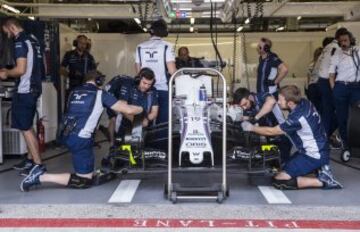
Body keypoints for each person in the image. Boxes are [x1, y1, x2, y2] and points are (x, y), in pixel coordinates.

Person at [19, 70, 143, 192]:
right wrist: (141, 109)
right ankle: (40, 176)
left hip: (66, 134)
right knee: (84, 180)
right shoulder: (100, 94)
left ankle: (84, 170)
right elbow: (128, 110)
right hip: (81, 140)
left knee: (86, 165)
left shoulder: (74, 91)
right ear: (99, 81)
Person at [241, 85, 342, 190]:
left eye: (280, 100)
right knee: (283, 168)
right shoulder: (304, 102)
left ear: (290, 103)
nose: (278, 102)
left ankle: (323, 181)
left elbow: (272, 131)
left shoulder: (297, 118)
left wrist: (251, 128)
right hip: (316, 148)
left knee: (279, 179)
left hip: (313, 154)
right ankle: (319, 169)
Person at [0, 17, 44, 176]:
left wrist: (5, 73)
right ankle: (31, 159)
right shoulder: (32, 38)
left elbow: (20, 70)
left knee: (25, 128)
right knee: (27, 125)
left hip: (26, 89)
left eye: (6, 31)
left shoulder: (20, 41)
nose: (6, 35)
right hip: (33, 87)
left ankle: (38, 165)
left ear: (11, 27)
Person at [232, 88, 292, 163]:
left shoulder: (261, 96)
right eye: (242, 106)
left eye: (245, 104)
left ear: (250, 97)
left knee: (283, 166)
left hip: (283, 135)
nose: (244, 107)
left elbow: (271, 101)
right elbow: (251, 117)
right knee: (271, 166)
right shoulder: (250, 107)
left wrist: (256, 118)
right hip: (270, 138)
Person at [135, 19, 176, 125]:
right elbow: (172, 71)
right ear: (164, 32)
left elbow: (138, 71)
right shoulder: (168, 46)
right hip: (163, 89)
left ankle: (145, 140)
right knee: (163, 122)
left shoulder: (140, 46)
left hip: (145, 88)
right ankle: (160, 141)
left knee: (144, 118)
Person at [105, 68, 159, 145]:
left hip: (142, 127)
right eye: (144, 83)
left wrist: (146, 119)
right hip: (124, 124)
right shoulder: (128, 85)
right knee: (121, 150)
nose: (146, 86)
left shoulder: (153, 91)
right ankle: (112, 144)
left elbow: (154, 112)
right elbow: (123, 108)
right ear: (138, 79)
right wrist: (137, 122)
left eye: (149, 84)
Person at [329, 28, 360, 153]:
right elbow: (331, 75)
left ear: (350, 40)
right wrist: (334, 90)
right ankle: (345, 145)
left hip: (356, 87)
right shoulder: (336, 54)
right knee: (342, 117)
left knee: (356, 114)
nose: (343, 43)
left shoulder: (358, 51)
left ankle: (356, 141)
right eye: (341, 41)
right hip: (341, 87)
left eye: (345, 40)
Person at [316, 37, 338, 137]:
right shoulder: (336, 48)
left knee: (326, 112)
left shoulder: (325, 50)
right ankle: (325, 135)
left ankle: (323, 134)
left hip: (319, 83)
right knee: (335, 111)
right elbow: (332, 72)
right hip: (328, 82)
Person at [305, 47, 322, 112]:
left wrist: (307, 88)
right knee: (320, 106)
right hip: (319, 86)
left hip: (311, 86)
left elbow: (308, 77)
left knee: (313, 107)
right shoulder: (322, 64)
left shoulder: (311, 64)